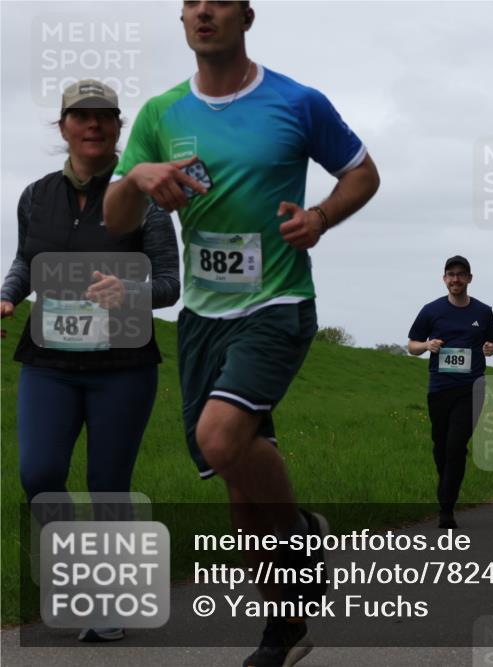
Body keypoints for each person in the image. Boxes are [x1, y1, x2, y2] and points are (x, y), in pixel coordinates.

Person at [103, 3, 380, 665]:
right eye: (192, 1)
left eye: (219, 0)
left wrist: (320, 217)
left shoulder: (297, 101)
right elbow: (116, 219)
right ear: (181, 18)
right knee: (235, 481)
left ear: (245, 15)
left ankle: (301, 531)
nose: (204, 11)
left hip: (278, 301)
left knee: (218, 435)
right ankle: (281, 627)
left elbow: (362, 172)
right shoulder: (162, 114)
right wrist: (137, 176)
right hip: (203, 317)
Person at [1, 80, 179, 644]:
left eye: (104, 117)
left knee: (108, 483)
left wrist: (128, 289)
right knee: (40, 472)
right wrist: (8, 293)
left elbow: (171, 284)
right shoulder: (34, 195)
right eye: (81, 117)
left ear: (119, 127)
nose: (93, 126)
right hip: (48, 360)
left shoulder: (143, 199)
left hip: (122, 366)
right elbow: (27, 261)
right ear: (63, 128)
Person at [408, 256, 493, 527]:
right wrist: (426, 346)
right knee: (441, 446)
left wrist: (490, 349)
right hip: (440, 388)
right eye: (451, 274)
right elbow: (411, 345)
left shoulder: (483, 312)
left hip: (471, 388)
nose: (456, 279)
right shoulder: (431, 310)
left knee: (456, 445)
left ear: (470, 278)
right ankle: (446, 486)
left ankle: (446, 507)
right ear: (444, 278)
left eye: (461, 274)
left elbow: (492, 342)